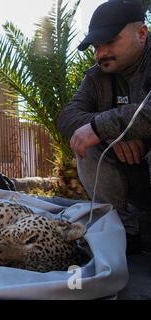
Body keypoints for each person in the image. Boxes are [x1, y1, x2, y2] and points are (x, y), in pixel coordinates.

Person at [57, 0, 151, 254]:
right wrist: (111, 135)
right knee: (86, 144)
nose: (101, 53)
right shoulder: (97, 76)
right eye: (97, 46)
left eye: (110, 42)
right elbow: (67, 117)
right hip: (132, 179)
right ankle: (123, 231)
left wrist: (102, 126)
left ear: (141, 34)